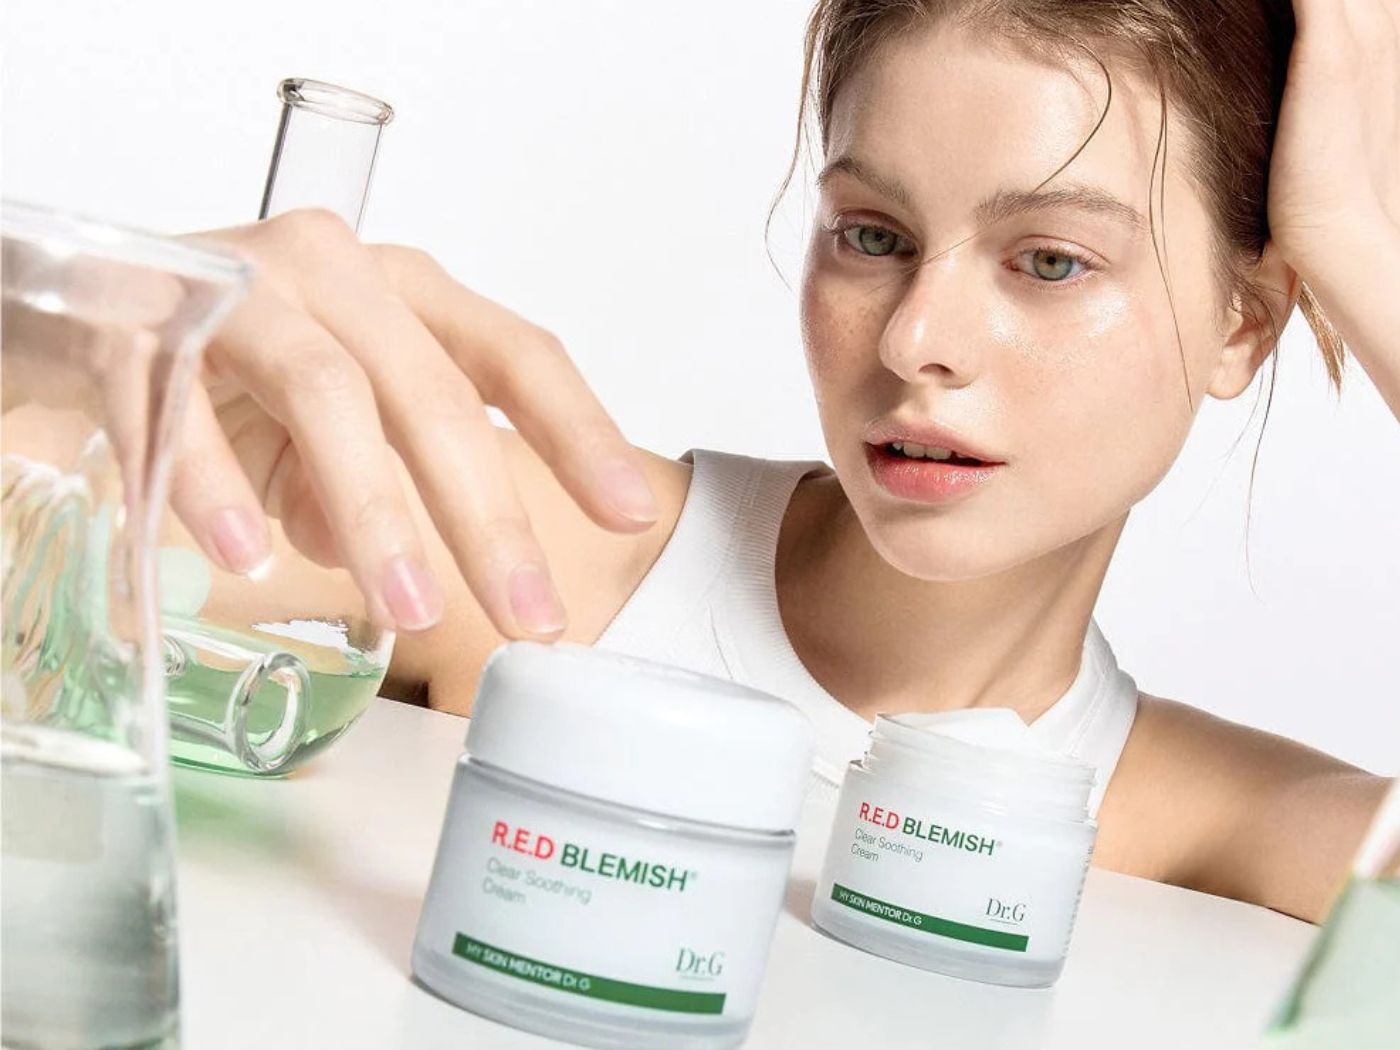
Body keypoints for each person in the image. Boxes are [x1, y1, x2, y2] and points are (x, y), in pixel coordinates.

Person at [165, 0, 1396, 923]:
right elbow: (40, 533)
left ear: (1244, 320)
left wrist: (1364, 248)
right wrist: (106, 360)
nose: (918, 340)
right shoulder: (533, 561)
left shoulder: (1197, 826)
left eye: (1051, 261)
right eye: (872, 236)